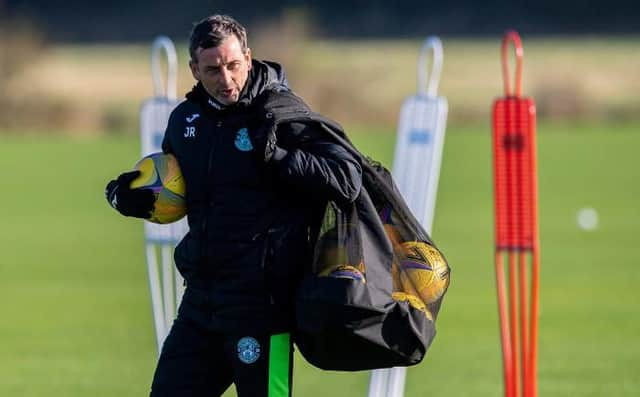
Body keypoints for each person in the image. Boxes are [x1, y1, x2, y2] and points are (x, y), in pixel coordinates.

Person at [105, 14, 362, 397]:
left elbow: (347, 179)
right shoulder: (185, 121)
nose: (225, 79)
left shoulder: (280, 113)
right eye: (212, 70)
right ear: (194, 69)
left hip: (263, 310)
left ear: (248, 56)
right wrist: (128, 198)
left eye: (233, 65)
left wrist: (279, 156)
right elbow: (176, 190)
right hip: (201, 304)